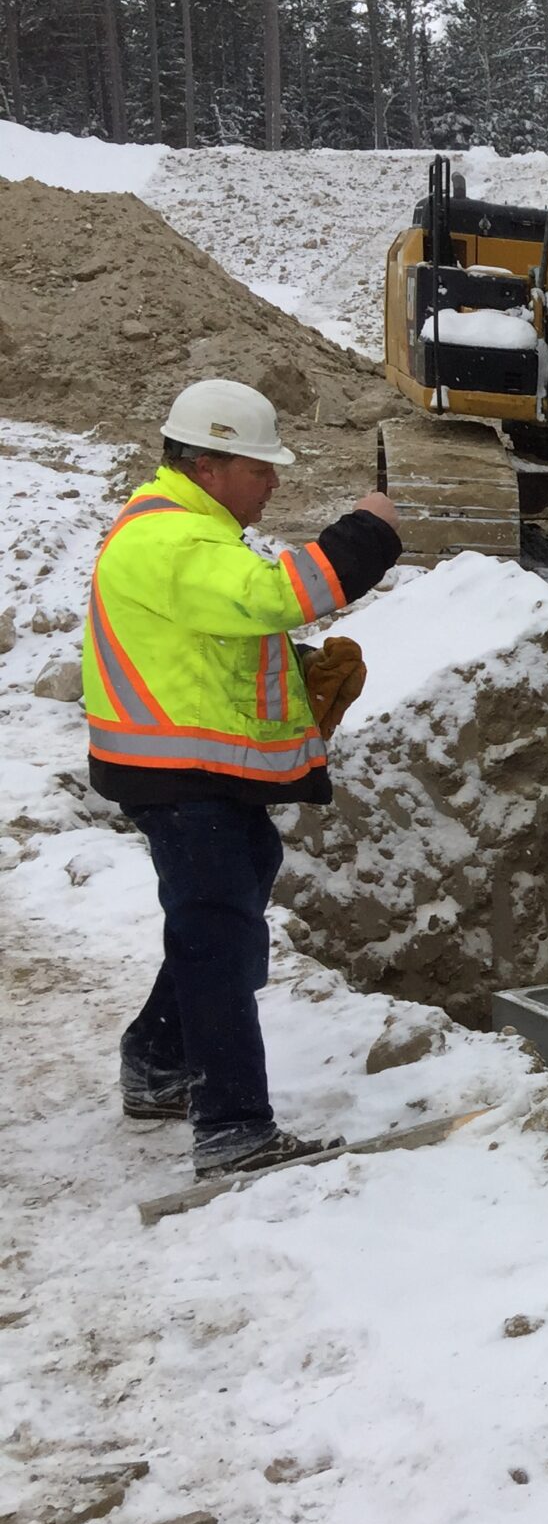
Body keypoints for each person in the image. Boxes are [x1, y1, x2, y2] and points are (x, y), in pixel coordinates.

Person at [81, 378, 404, 1177]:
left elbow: (206, 644)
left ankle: (157, 1062)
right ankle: (233, 1128)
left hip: (186, 770)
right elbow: (275, 596)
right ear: (210, 464)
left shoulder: (185, 533)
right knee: (218, 932)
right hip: (176, 777)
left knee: (231, 896)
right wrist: (370, 530)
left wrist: (288, 675)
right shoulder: (174, 541)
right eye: (261, 468)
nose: (274, 482)